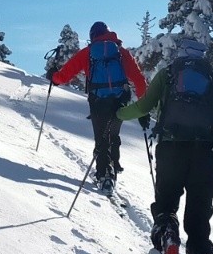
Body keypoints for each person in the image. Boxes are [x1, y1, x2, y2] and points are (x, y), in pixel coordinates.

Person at [116, 37, 213, 254]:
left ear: (181, 53)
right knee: (198, 214)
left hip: (171, 149)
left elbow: (144, 106)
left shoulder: (168, 74)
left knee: (166, 201)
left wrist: (119, 113)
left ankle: (168, 234)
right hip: (205, 155)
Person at [49, 21, 147, 192]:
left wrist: (54, 77)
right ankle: (113, 167)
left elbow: (65, 76)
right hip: (120, 101)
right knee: (113, 134)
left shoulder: (88, 53)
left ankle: (104, 175)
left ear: (92, 36)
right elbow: (139, 80)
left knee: (101, 138)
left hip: (98, 102)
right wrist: (144, 105)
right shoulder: (121, 53)